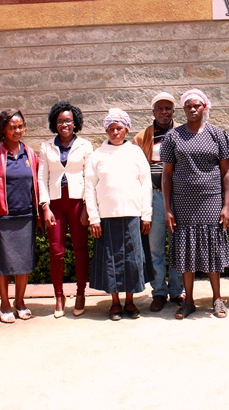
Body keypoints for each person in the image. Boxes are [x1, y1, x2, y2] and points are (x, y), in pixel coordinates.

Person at [161, 89, 229, 320]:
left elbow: (226, 171)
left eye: (197, 106)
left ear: (205, 107)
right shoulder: (173, 137)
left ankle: (217, 300)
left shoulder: (218, 135)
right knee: (185, 251)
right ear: (184, 109)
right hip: (183, 203)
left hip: (211, 200)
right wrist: (168, 208)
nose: (192, 109)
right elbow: (166, 175)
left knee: (212, 250)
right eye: (188, 106)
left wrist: (226, 205)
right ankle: (189, 301)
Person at [85, 108, 153, 321]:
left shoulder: (135, 152)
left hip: (132, 215)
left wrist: (146, 214)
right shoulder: (97, 156)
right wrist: (94, 218)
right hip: (106, 217)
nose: (115, 133)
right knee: (111, 260)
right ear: (106, 131)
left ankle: (130, 302)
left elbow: (146, 183)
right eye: (111, 129)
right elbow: (89, 188)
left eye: (119, 128)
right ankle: (115, 303)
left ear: (127, 129)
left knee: (132, 259)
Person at [0, 109, 39, 323]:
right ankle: (4, 303)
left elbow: (36, 185)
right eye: (12, 127)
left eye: (20, 126)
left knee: (23, 262)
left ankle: (20, 302)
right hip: (1, 216)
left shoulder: (30, 153)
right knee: (2, 262)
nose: (17, 130)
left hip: (26, 215)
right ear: (3, 129)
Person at [38, 101, 93, 318]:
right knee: (56, 251)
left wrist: (87, 208)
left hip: (77, 203)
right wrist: (45, 207)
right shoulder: (46, 147)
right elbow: (41, 178)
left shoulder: (85, 146)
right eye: (60, 121)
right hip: (55, 205)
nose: (65, 125)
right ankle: (59, 296)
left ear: (75, 122)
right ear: (54, 123)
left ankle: (81, 294)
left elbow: (89, 178)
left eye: (68, 121)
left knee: (80, 250)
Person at [132, 92, 185, 312]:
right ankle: (159, 292)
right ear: (153, 111)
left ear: (173, 111)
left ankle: (177, 290)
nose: (164, 112)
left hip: (179, 197)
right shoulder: (142, 136)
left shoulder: (183, 132)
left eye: (168, 108)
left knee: (178, 246)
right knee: (155, 247)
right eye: (160, 108)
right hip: (153, 196)